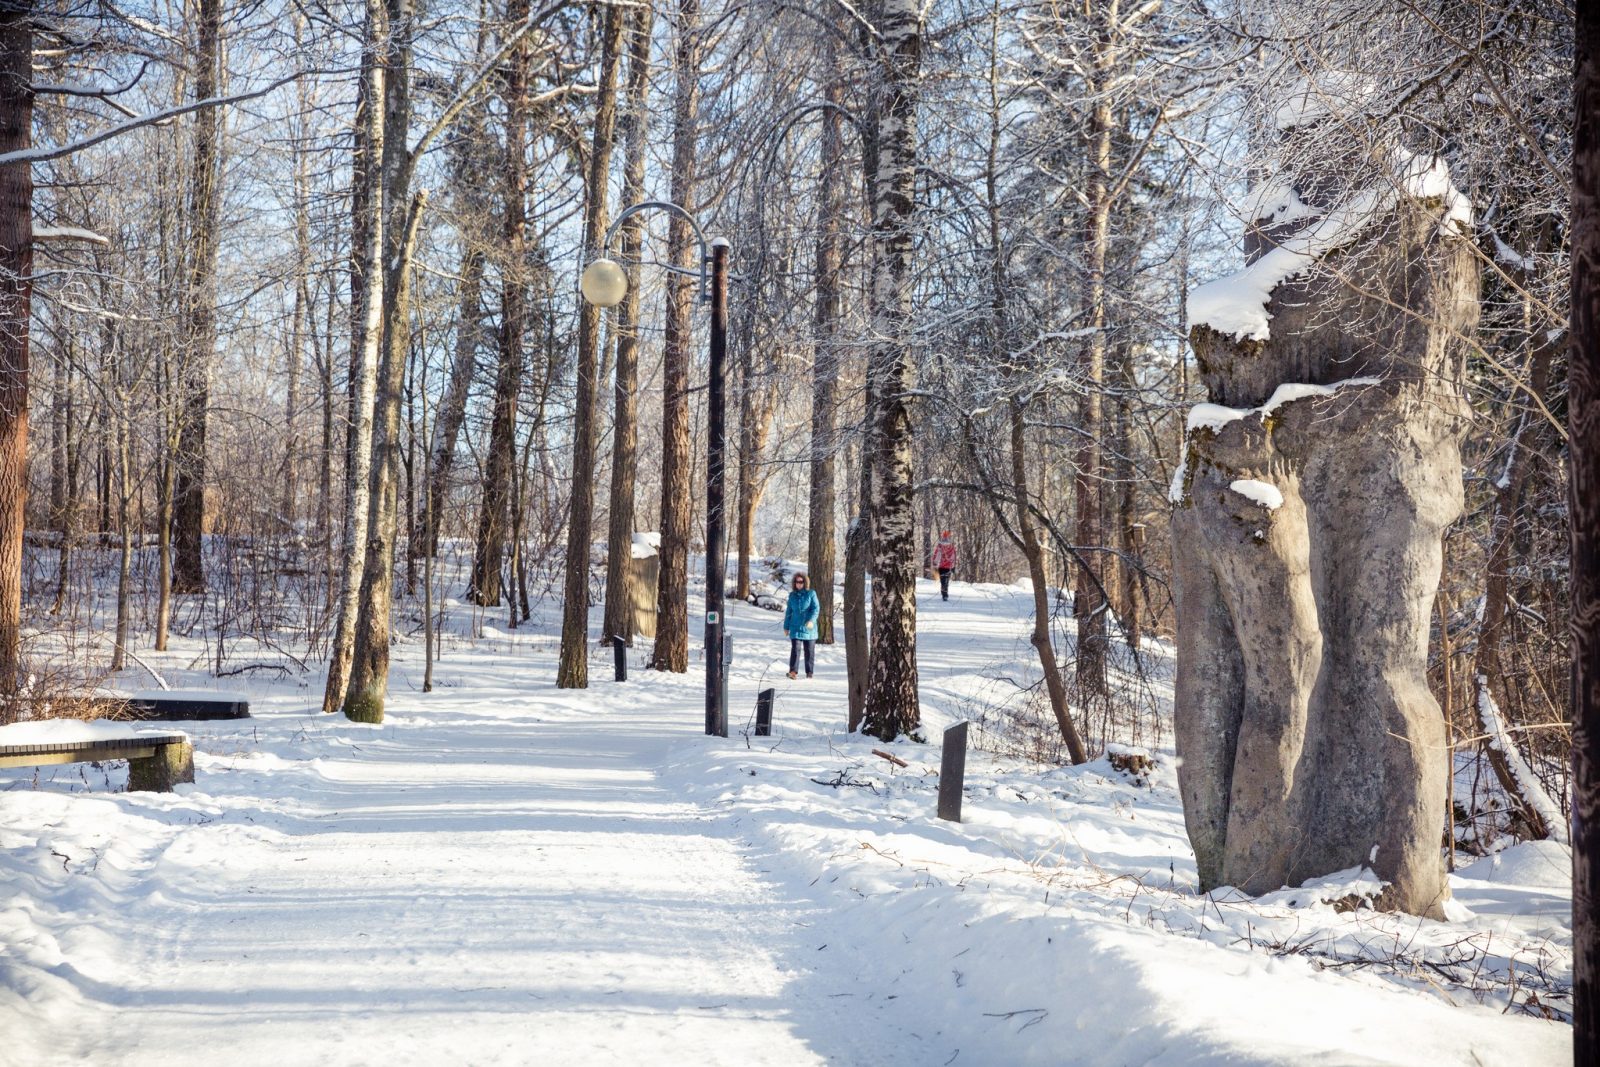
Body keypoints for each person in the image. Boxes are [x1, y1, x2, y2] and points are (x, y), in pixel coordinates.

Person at [783, 571, 819, 679]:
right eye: (797, 582)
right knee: (795, 649)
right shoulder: (792, 596)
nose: (799, 584)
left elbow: (816, 609)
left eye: (801, 581)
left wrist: (811, 620)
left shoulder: (811, 594)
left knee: (809, 651)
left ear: (805, 582)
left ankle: (809, 673)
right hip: (795, 627)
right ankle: (793, 672)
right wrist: (786, 626)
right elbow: (789, 612)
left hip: (809, 628)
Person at [933, 530, 957, 601]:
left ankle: (944, 593)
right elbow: (953, 557)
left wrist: (935, 563)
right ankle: (945, 593)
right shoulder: (951, 546)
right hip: (949, 566)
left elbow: (937, 555)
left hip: (941, 566)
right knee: (946, 580)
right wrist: (953, 566)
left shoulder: (940, 546)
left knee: (942, 580)